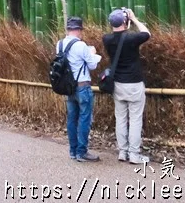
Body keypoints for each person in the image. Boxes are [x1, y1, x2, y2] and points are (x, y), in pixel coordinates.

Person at [102, 8, 151, 164]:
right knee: (135, 120)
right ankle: (134, 155)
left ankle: (123, 152)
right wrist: (135, 19)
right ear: (125, 22)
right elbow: (146, 33)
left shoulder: (106, 39)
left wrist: (127, 20)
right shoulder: (131, 39)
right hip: (134, 84)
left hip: (117, 84)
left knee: (121, 119)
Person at [58, 16, 102, 162]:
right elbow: (92, 66)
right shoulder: (81, 45)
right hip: (82, 86)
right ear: (78, 30)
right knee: (84, 118)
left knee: (72, 119)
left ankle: (73, 150)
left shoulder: (59, 44)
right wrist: (93, 54)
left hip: (69, 88)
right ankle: (81, 151)